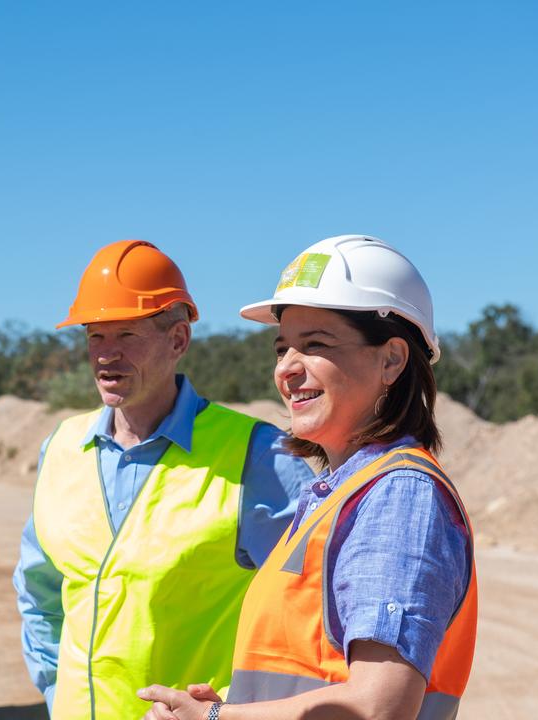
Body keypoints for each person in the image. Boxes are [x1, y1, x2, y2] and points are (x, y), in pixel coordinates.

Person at [138, 235, 477, 720]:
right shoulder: (340, 493)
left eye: (315, 345)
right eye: (282, 349)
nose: (288, 369)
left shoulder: (399, 495)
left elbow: (379, 708)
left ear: (392, 359)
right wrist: (240, 708)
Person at [14, 239, 314, 719]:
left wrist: (238, 712)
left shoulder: (257, 456)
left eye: (126, 335)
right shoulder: (62, 447)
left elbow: (308, 616)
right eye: (95, 337)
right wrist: (58, 694)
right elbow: (40, 594)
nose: (106, 356)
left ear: (177, 340)